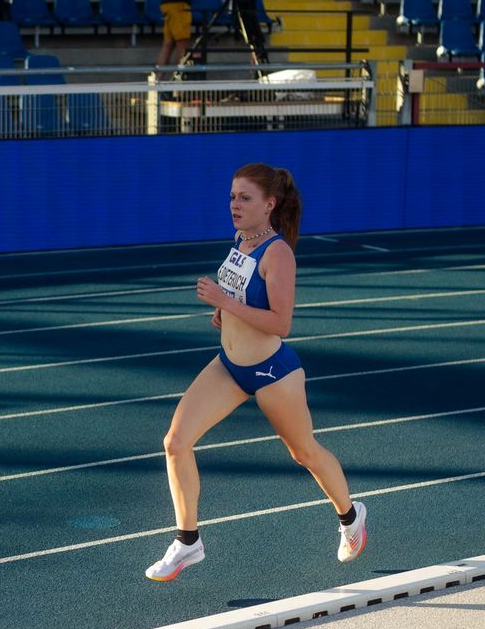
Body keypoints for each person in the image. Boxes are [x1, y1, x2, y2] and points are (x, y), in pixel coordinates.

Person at [145, 163, 367, 581]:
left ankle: (351, 517)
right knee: (175, 442)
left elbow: (281, 323)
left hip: (271, 372)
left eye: (245, 198)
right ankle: (188, 541)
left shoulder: (278, 253)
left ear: (270, 204)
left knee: (304, 453)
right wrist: (222, 310)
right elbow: (243, 296)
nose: (235, 204)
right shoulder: (242, 241)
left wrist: (225, 303)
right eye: (232, 196)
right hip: (229, 366)